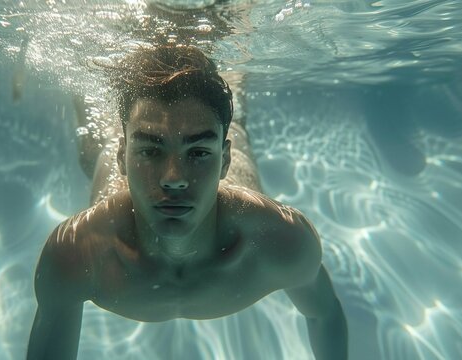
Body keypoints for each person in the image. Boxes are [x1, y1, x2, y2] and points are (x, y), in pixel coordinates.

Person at [27, 45, 348, 360]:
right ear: (123, 159)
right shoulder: (76, 253)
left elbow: (325, 315)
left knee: (233, 122)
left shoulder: (281, 239)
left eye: (198, 153)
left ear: (224, 161)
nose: (174, 178)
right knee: (92, 149)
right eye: (150, 151)